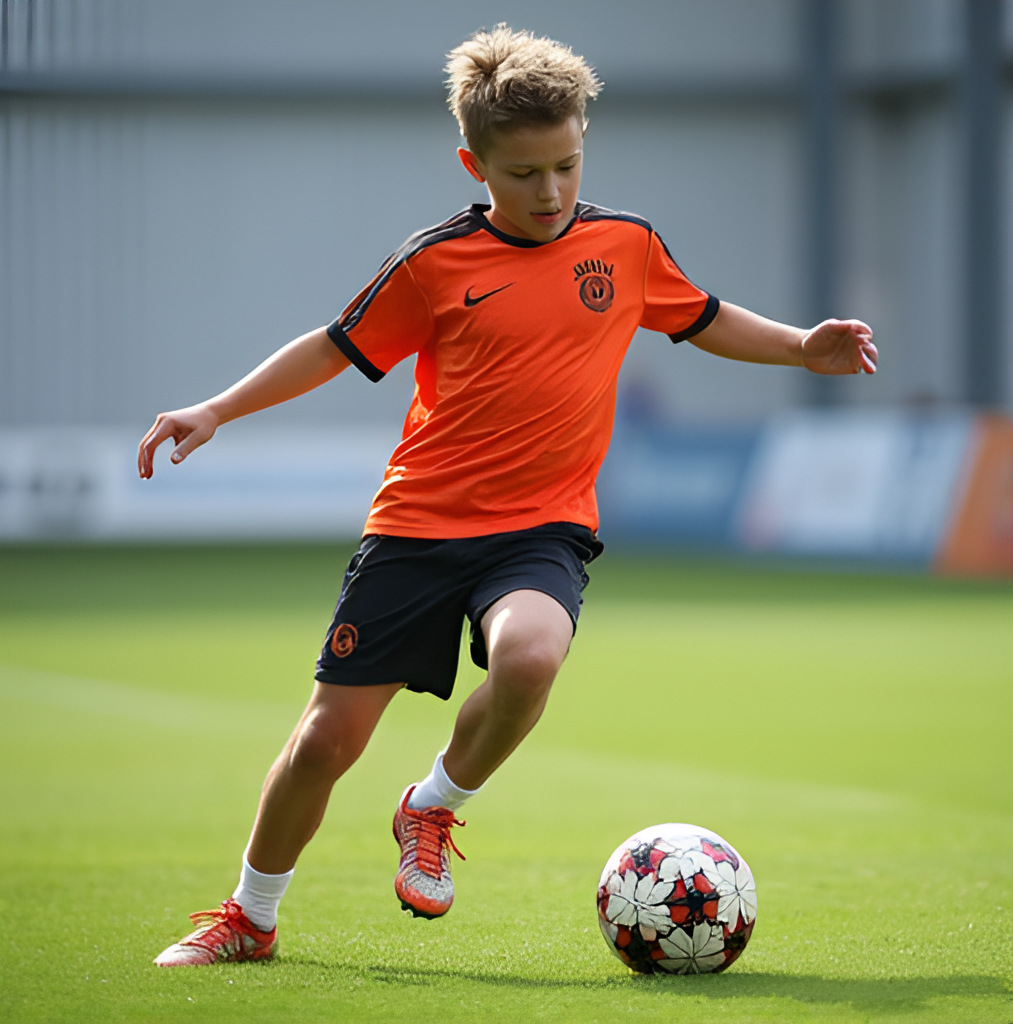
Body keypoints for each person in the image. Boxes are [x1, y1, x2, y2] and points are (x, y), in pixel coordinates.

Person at [140, 25, 877, 967]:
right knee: (326, 744)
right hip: (417, 525)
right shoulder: (434, 262)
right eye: (524, 173)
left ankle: (435, 806)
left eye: (566, 165)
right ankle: (250, 915)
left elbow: (702, 316)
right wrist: (217, 408)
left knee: (530, 659)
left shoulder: (626, 244)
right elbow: (333, 345)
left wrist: (798, 343)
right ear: (474, 163)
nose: (551, 192)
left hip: (543, 527)